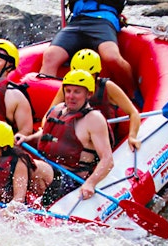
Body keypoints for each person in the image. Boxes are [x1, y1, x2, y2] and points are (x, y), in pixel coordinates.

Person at [20, 69, 114, 206]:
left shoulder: (94, 120)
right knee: (11, 158)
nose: (71, 96)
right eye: (68, 91)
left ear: (89, 94)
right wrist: (26, 139)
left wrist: (90, 183)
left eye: (77, 92)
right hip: (51, 171)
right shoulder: (58, 109)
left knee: (27, 164)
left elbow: (108, 160)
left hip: (71, 179)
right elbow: (48, 134)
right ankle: (16, 202)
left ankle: (17, 205)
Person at [45, 49, 141, 150]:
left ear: (96, 74)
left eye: (88, 76)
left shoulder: (108, 87)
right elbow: (49, 114)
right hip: (77, 137)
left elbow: (133, 113)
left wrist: (132, 137)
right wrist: (45, 130)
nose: (84, 80)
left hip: (104, 140)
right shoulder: (68, 89)